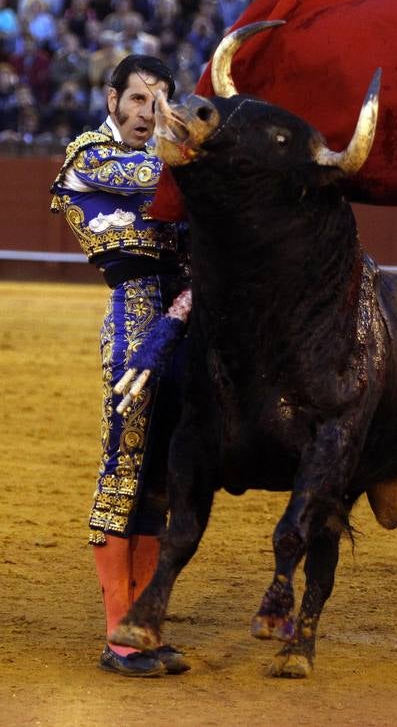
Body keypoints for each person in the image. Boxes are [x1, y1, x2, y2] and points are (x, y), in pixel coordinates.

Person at [50, 54, 190, 678]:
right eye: (137, 99)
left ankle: (145, 624)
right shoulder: (89, 156)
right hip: (134, 323)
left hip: (187, 323)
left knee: (164, 475)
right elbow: (151, 173)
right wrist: (196, 147)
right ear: (112, 100)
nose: (147, 112)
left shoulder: (166, 158)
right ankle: (118, 637)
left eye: (159, 100)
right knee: (126, 463)